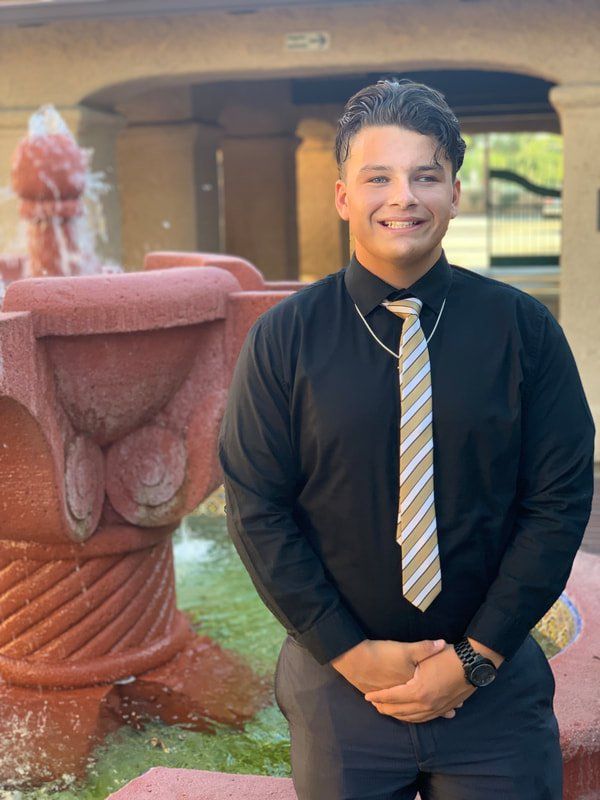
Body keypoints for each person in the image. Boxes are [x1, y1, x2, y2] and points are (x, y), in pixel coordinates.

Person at [217, 79, 595, 800]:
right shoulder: (284, 339)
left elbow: (557, 502)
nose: (404, 198)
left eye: (426, 176)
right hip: (339, 692)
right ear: (343, 197)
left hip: (494, 694)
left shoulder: (523, 332)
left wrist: (473, 659)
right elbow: (256, 508)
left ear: (455, 192)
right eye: (379, 178)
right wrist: (352, 656)